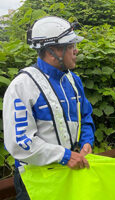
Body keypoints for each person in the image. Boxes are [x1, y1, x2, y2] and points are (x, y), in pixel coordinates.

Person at [3, 16, 95, 200]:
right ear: (53, 51)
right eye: (70, 46)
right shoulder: (22, 86)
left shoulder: (73, 79)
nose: (76, 51)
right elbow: (20, 142)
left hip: (68, 171)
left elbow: (85, 116)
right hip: (36, 181)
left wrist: (87, 141)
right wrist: (65, 156)